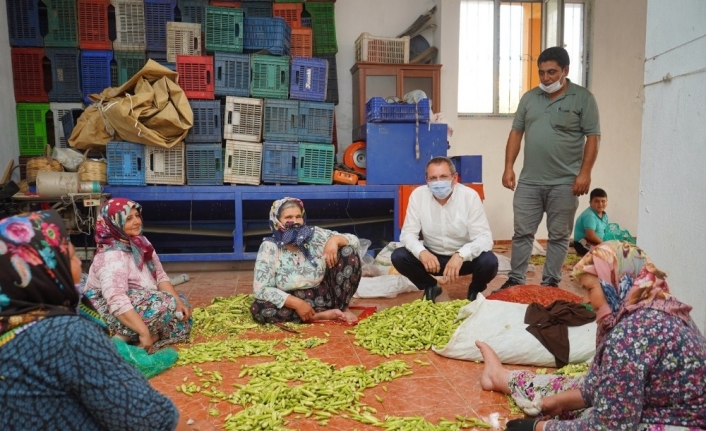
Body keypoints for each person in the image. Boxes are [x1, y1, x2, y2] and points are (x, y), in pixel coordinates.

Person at [0, 210, 215, 431]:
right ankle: (130, 334)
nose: (79, 265)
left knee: (177, 305)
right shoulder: (69, 335)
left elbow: (161, 276)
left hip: (137, 304)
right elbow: (142, 415)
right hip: (121, 308)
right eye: (72, 257)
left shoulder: (11, 323)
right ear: (47, 268)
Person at [476, 241, 706, 431]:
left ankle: (502, 379)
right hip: (662, 407)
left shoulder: (630, 336)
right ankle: (500, 377)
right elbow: (597, 386)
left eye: (590, 289)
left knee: (590, 414)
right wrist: (559, 401)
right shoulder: (662, 305)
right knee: (569, 388)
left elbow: (610, 427)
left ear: (614, 283)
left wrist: (538, 429)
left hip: (676, 423)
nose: (585, 300)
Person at [499, 46, 601, 290]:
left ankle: (550, 283)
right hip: (529, 182)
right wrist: (508, 167)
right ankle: (516, 279)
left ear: (565, 70)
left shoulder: (582, 98)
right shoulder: (529, 98)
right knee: (522, 233)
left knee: (557, 236)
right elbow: (516, 133)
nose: (546, 78)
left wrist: (585, 173)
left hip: (566, 182)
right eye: (541, 72)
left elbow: (593, 137)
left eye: (552, 72)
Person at [84, 198, 192, 351]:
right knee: (166, 303)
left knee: (181, 308)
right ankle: (125, 337)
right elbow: (116, 299)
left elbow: (159, 276)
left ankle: (136, 337)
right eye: (128, 218)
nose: (136, 221)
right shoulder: (111, 256)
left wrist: (179, 304)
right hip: (106, 310)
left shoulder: (140, 242)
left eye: (137, 215)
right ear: (113, 223)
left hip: (137, 300)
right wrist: (144, 331)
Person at [391, 156, 498, 302]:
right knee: (399, 256)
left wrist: (461, 255)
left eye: (443, 177)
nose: (438, 182)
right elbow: (407, 234)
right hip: (432, 259)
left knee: (489, 262)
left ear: (454, 178)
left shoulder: (469, 196)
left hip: (463, 261)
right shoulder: (418, 195)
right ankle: (431, 285)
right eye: (433, 178)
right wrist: (422, 252)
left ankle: (475, 290)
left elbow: (484, 238)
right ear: (427, 181)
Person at [251, 197, 362, 325]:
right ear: (277, 221)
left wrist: (335, 240)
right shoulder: (269, 247)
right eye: (288, 217)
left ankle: (342, 308)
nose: (295, 221)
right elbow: (261, 289)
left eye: (298, 216)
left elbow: (355, 242)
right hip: (289, 301)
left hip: (325, 296)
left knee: (348, 252)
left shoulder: (314, 235)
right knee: (258, 309)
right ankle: (317, 316)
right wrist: (297, 303)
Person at [572, 188, 609, 256]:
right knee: (605, 253)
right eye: (596, 201)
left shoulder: (604, 215)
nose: (600, 204)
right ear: (590, 203)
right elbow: (590, 236)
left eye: (603, 201)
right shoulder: (590, 215)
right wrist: (604, 244)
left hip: (596, 242)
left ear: (607, 202)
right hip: (582, 244)